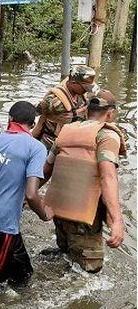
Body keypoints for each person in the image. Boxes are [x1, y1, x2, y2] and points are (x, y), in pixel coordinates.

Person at [42, 90, 126, 273]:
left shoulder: (67, 131)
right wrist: (117, 220)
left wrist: (27, 196)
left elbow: (46, 170)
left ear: (87, 109)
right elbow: (108, 176)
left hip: (59, 211)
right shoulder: (107, 135)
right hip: (84, 216)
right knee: (90, 271)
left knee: (65, 257)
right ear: (110, 113)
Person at [0, 101, 53, 291]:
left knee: (24, 270)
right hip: (4, 224)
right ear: (32, 125)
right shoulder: (36, 148)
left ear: (10, 119)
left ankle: (21, 299)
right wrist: (45, 214)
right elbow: (32, 195)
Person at [33, 65, 96, 150]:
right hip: (50, 144)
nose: (87, 91)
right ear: (73, 83)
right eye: (85, 88)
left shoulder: (81, 94)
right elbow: (32, 112)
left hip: (71, 139)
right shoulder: (55, 102)